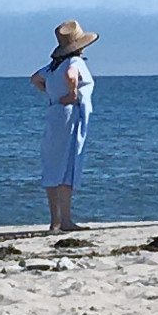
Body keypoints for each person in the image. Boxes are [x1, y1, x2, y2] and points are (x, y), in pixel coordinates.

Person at [30, 20, 99, 232]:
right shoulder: (74, 63)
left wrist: (53, 94)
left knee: (52, 165)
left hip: (54, 113)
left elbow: (35, 79)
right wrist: (71, 94)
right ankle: (66, 220)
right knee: (67, 164)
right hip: (69, 114)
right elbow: (71, 77)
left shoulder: (53, 66)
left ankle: (55, 221)